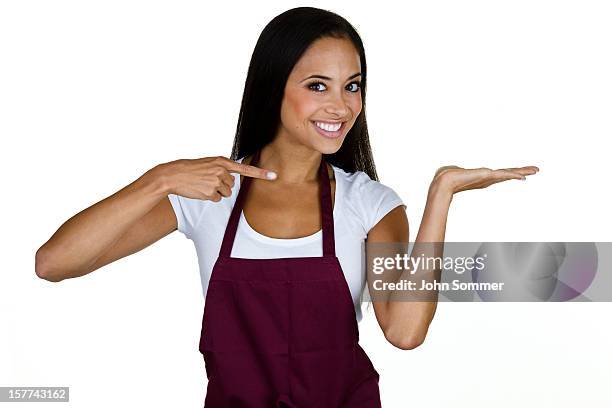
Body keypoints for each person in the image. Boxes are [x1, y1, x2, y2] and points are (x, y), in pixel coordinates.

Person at [35, 6, 539, 407]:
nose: (340, 106)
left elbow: (405, 333)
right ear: (273, 85)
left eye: (353, 86)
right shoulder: (212, 194)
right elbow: (54, 263)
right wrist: (157, 180)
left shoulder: (370, 204)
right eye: (317, 85)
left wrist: (441, 195)